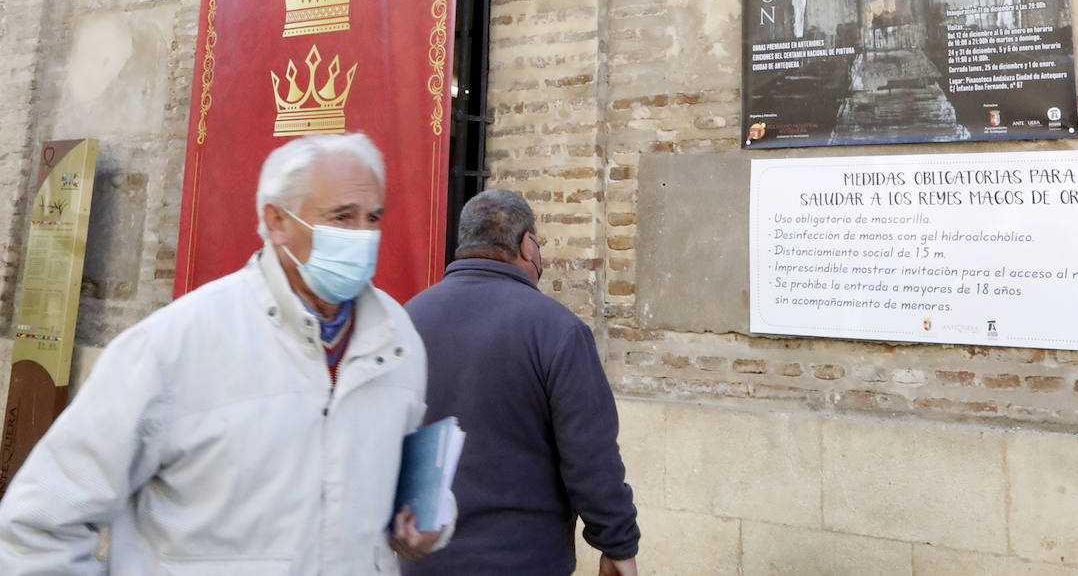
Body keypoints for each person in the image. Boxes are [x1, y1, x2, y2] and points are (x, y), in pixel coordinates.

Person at [0, 132, 449, 574]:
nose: (364, 235)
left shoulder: (396, 339)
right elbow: (37, 527)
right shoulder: (175, 344)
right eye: (342, 217)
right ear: (277, 222)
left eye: (373, 217)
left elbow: (398, 479)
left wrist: (427, 519)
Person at [403, 189, 640, 576]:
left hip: (422, 560)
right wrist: (618, 544)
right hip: (524, 560)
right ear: (527, 245)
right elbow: (590, 458)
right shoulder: (558, 330)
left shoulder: (407, 320)